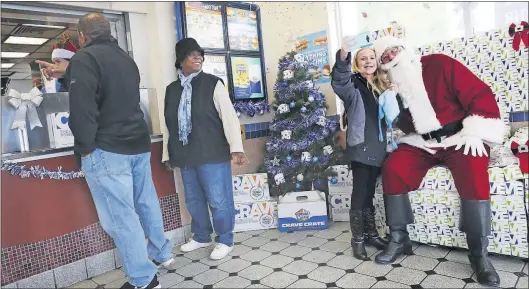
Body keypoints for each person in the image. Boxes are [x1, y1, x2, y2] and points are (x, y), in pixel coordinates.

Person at [37, 13, 173, 289]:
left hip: (108, 150)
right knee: (145, 201)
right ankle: (162, 253)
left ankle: (144, 280)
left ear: (83, 36)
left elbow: (83, 110)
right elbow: (111, 88)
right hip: (137, 144)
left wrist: (85, 149)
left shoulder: (86, 59)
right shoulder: (125, 58)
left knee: (120, 218)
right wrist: (69, 71)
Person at [372, 36, 504, 287]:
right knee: (393, 167)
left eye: (393, 51)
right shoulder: (394, 89)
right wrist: (393, 110)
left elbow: (478, 93)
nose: (391, 57)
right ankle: (399, 239)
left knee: (474, 169)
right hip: (424, 142)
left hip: (459, 137)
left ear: (405, 48)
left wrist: (476, 131)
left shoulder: (440, 64)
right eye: (385, 58)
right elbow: (408, 124)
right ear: (383, 66)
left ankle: (479, 254)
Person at [162, 38, 246, 260]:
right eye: (191, 54)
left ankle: (225, 239)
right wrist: (166, 154)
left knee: (219, 199)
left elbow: (229, 118)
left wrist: (236, 147)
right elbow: (168, 125)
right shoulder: (171, 90)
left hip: (212, 153)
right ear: (180, 60)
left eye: (200, 54)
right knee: (194, 199)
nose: (197, 57)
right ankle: (201, 236)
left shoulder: (213, 83)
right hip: (185, 155)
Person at [331, 36, 392, 260]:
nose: (368, 61)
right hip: (360, 144)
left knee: (369, 193)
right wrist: (344, 54)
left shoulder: (382, 84)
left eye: (371, 58)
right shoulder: (352, 83)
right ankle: (357, 240)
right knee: (359, 193)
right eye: (363, 58)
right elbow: (339, 81)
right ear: (357, 63)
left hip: (378, 146)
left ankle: (371, 234)